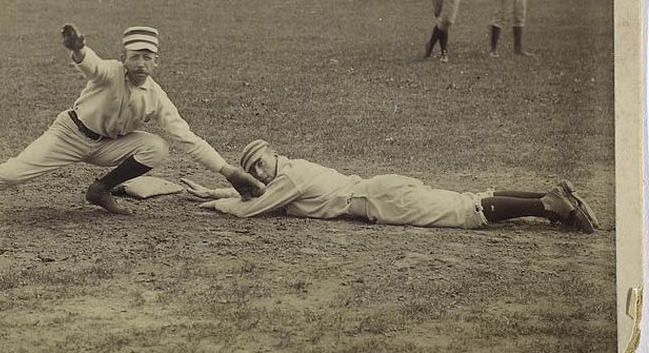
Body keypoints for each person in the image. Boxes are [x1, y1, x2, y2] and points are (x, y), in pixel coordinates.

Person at [0, 25, 265, 229]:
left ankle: (99, 189)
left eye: (147, 57)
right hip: (69, 135)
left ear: (157, 62)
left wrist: (230, 172)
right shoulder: (109, 71)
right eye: (134, 56)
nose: (140, 63)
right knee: (13, 174)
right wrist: (79, 49)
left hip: (108, 145)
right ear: (124, 57)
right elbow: (90, 64)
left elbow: (188, 138)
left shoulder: (155, 96)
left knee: (157, 147)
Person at [184, 139, 600, 234]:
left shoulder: (289, 177)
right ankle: (547, 195)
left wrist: (220, 205)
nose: (259, 171)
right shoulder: (289, 173)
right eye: (254, 169)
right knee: (462, 201)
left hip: (375, 199)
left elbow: (252, 209)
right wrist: (217, 191)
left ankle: (549, 206)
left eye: (260, 162)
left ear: (273, 155)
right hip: (377, 191)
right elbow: (263, 198)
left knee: (461, 212)